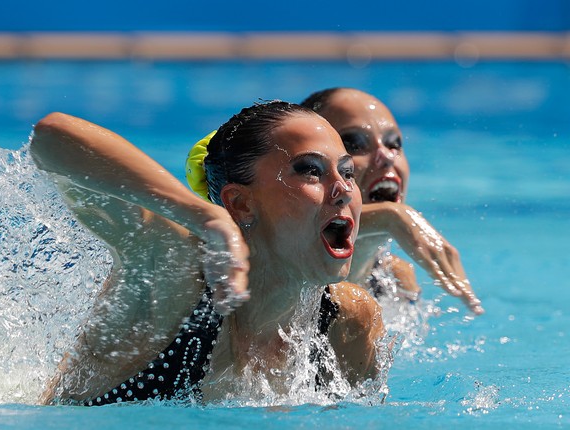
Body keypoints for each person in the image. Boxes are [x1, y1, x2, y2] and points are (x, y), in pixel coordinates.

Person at [31, 101, 385, 405]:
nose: (342, 190)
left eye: (348, 171)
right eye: (311, 170)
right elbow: (52, 136)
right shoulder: (178, 281)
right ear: (240, 203)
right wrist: (201, 214)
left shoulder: (348, 319)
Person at [301, 88, 482, 315]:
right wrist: (388, 217)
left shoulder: (395, 280)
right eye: (354, 145)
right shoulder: (270, 269)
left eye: (393, 144)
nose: (386, 156)